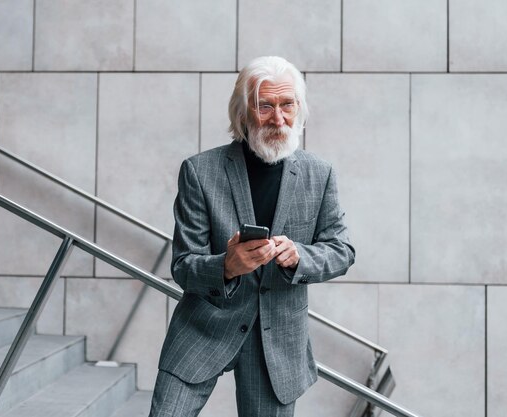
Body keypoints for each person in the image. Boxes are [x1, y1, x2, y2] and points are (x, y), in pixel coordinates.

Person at [149, 56, 355, 417]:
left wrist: (299, 257)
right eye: (265, 106)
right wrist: (226, 266)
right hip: (202, 330)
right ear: (243, 112)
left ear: (299, 109)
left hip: (276, 345)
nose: (279, 119)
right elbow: (183, 266)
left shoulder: (319, 174)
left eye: (287, 105)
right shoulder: (200, 171)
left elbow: (341, 251)